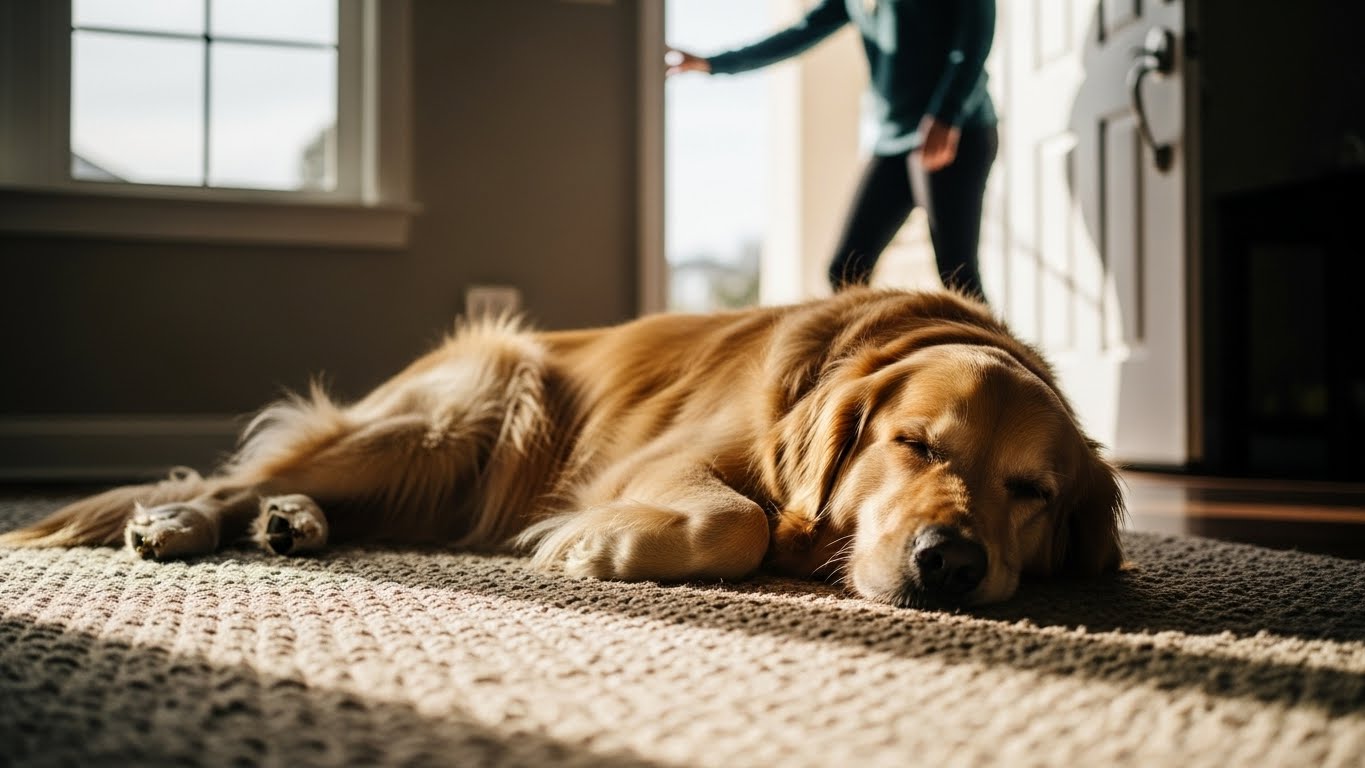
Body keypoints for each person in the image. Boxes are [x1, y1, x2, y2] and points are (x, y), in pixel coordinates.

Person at [667, 0, 997, 300]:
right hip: (892, 141)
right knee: (846, 272)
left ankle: (1005, 365)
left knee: (958, 275)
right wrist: (711, 63)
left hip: (954, 132)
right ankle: (869, 363)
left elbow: (974, 38)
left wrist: (947, 114)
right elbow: (800, 34)